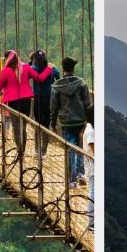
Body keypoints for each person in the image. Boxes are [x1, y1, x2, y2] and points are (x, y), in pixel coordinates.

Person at [0, 50, 53, 157]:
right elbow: (39, 78)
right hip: (26, 101)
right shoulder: (26, 67)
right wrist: (48, 69)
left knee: (16, 126)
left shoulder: (5, 71)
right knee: (23, 125)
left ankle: (20, 149)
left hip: (13, 102)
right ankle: (22, 146)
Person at [50, 56, 91, 185]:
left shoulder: (57, 86)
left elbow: (54, 107)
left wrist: (53, 124)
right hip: (80, 121)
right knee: (80, 147)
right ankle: (80, 174)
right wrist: (89, 122)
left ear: (63, 68)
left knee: (69, 150)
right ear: (74, 67)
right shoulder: (81, 83)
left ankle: (72, 180)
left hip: (66, 122)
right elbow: (88, 104)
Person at [29, 49, 60, 129]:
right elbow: (59, 79)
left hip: (37, 96)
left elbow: (26, 73)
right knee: (47, 117)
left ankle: (39, 136)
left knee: (38, 118)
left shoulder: (33, 68)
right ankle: (45, 138)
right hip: (49, 96)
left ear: (35, 59)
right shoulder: (52, 68)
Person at [82, 103, 94, 231]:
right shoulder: (90, 131)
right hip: (92, 168)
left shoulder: (89, 128)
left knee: (93, 192)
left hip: (90, 167)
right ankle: (91, 222)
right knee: (93, 193)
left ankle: (92, 221)